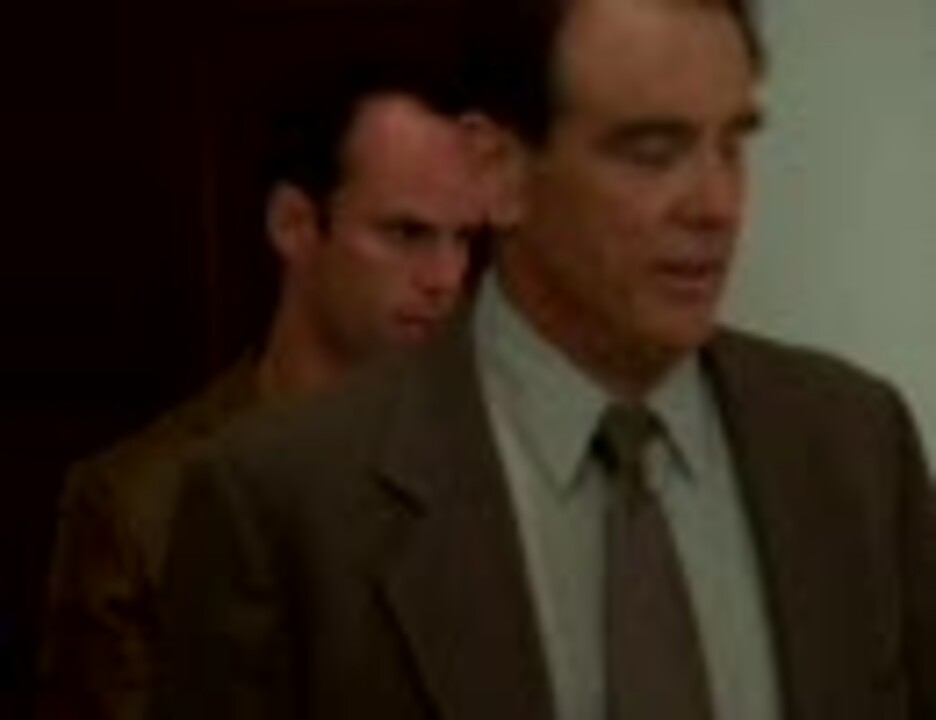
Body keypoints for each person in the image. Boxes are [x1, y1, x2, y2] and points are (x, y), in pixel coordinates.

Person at [151, 0, 936, 718]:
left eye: (731, 145)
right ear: (497, 171)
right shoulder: (286, 503)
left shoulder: (856, 447)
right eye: (652, 153)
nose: (716, 205)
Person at [38, 54, 490, 720]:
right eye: (407, 233)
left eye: (464, 240)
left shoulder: (491, 474)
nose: (445, 277)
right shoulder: (143, 503)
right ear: (293, 224)